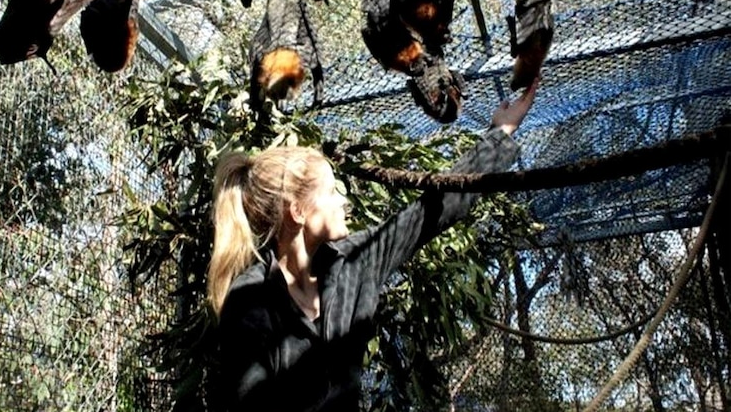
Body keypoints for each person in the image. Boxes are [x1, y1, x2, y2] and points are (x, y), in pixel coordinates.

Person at [207, 79, 539, 412]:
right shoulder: (250, 298)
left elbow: (427, 214)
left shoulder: (356, 261)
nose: (344, 200)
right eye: (333, 190)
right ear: (298, 211)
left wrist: (500, 134)